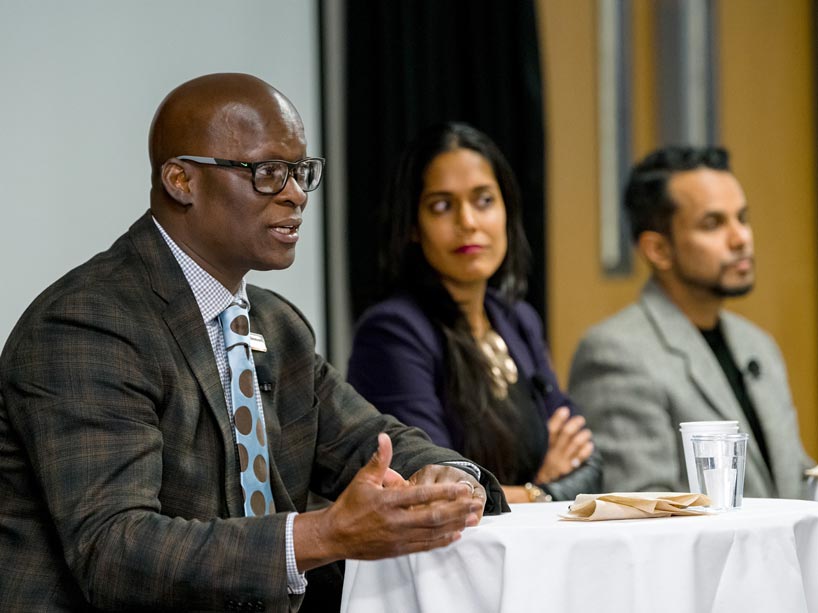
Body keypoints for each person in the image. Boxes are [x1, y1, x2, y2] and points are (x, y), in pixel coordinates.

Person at [0, 74, 507, 612]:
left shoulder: (274, 322)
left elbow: (372, 439)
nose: (294, 195)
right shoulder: (87, 324)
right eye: (267, 173)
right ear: (181, 180)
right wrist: (326, 534)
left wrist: (450, 480)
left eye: (300, 172)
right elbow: (115, 551)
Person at [347, 122, 602, 504]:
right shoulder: (393, 333)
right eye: (442, 206)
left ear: (506, 210)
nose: (468, 222)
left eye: (484, 201)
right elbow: (434, 489)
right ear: (414, 227)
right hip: (446, 555)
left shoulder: (517, 319)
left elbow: (582, 449)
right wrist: (540, 491)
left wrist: (534, 491)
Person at [568, 145, 814, 497]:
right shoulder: (616, 354)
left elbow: (794, 478)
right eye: (713, 224)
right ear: (658, 250)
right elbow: (644, 508)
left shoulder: (757, 344)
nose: (741, 238)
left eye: (742, 218)